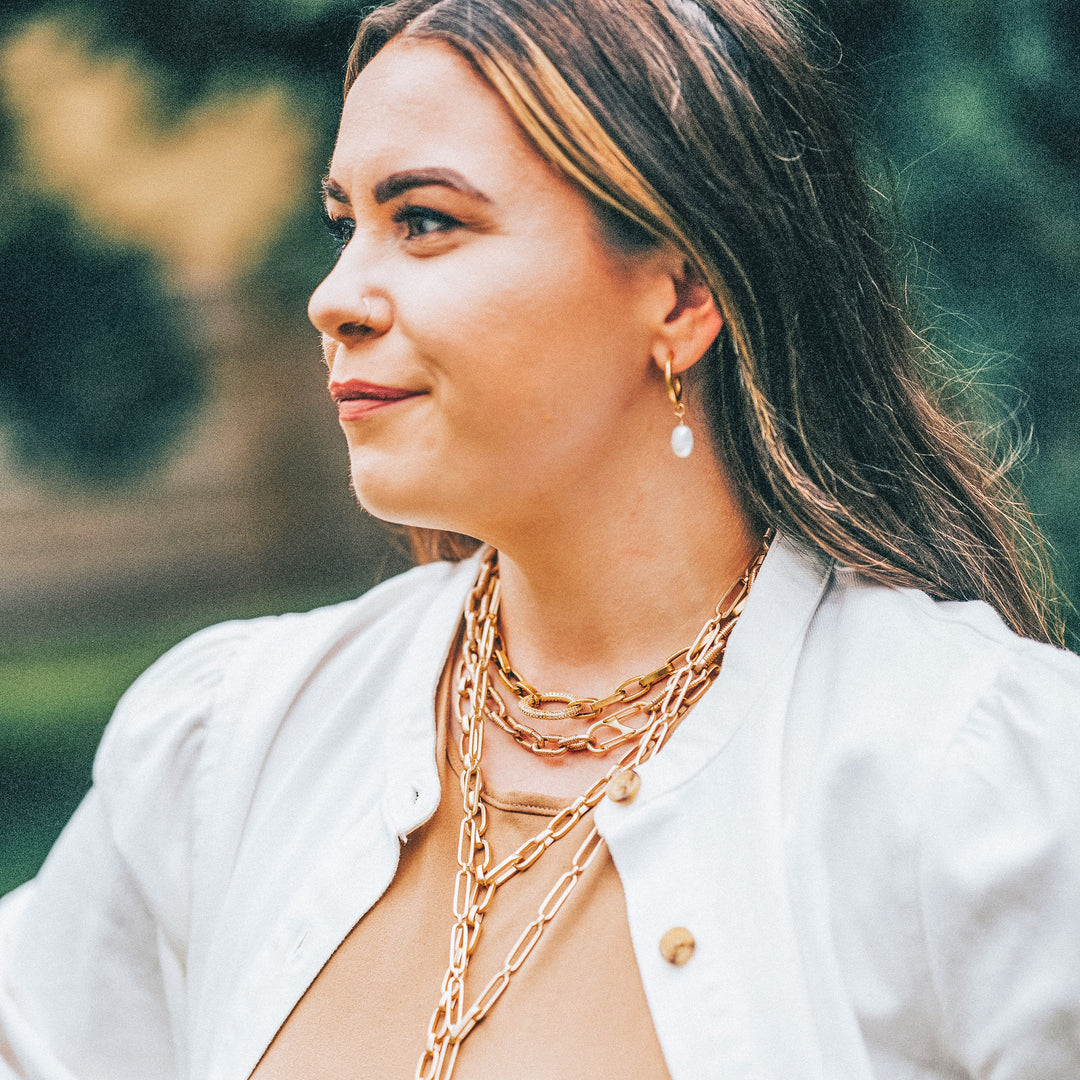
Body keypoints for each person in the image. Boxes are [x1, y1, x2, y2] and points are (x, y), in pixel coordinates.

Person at [2, 0, 1079, 1077]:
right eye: (346, 225)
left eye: (423, 220)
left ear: (682, 292)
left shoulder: (974, 786)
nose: (335, 298)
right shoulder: (230, 746)